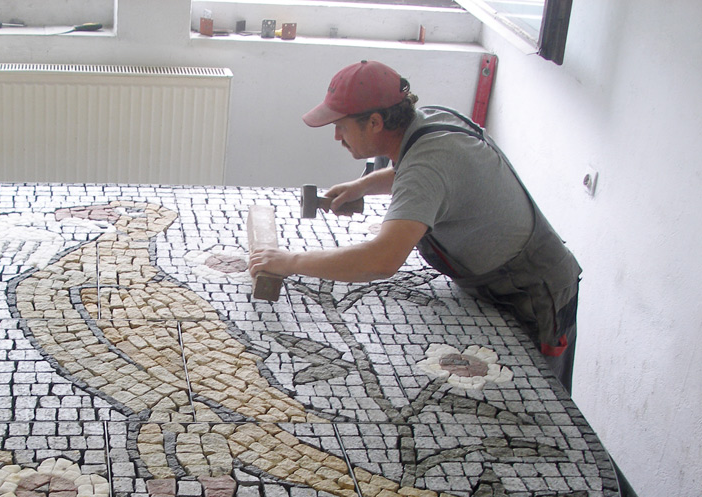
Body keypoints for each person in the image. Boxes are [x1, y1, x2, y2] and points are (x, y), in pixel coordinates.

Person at [249, 60, 580, 390]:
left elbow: (381, 259)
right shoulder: (428, 122)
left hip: (534, 294)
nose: (337, 136)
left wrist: (289, 261)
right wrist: (363, 186)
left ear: (375, 122)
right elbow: (417, 173)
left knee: (535, 397)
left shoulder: (429, 164)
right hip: (494, 284)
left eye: (341, 126)